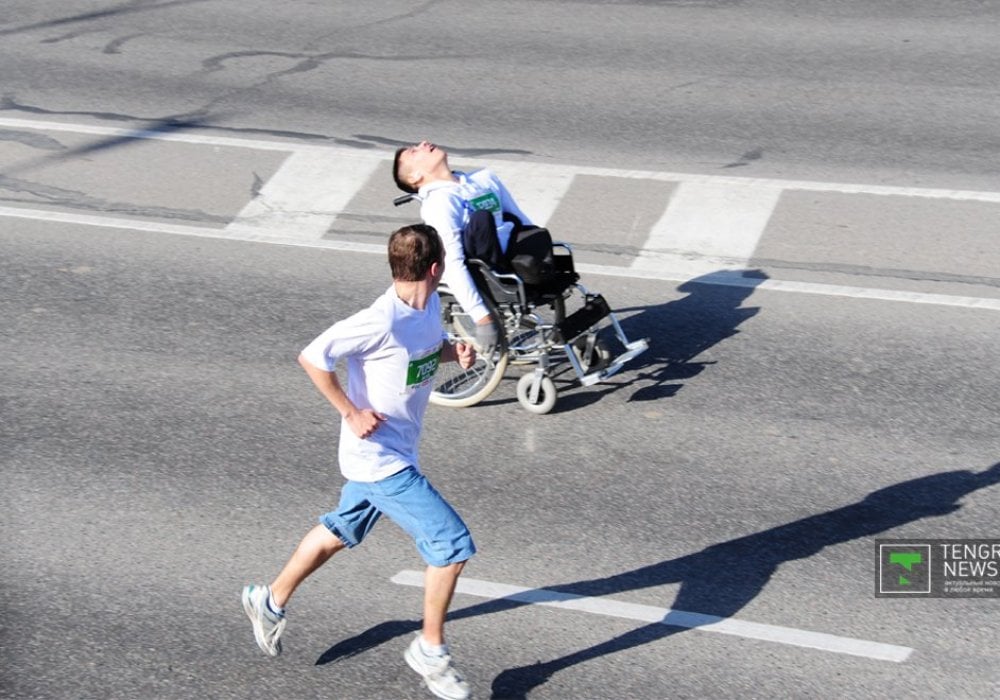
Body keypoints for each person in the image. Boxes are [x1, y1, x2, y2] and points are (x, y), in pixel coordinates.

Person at [241, 223, 477, 700]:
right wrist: (350, 411)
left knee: (339, 530)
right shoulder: (380, 319)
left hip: (394, 450)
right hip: (380, 459)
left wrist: (452, 352)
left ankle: (269, 600)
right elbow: (313, 356)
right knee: (452, 546)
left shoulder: (428, 304)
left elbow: (420, 354)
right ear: (436, 268)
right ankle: (429, 650)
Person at [393, 140, 537, 355]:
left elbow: (522, 221)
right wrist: (482, 317)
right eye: (415, 151)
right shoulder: (440, 203)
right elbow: (452, 262)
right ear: (415, 177)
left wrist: (542, 249)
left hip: (519, 256)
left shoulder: (484, 178)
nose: (423, 143)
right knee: (481, 220)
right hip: (491, 267)